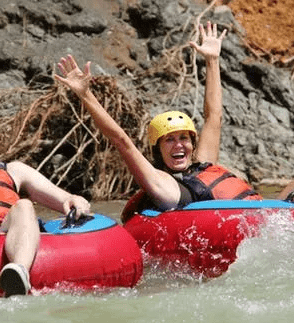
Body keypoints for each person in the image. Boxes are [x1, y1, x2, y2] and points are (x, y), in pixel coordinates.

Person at [55, 22, 262, 221]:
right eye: (169, 140)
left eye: (184, 138)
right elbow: (121, 140)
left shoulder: (203, 166)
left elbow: (213, 117)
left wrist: (212, 60)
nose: (179, 144)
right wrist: (85, 95)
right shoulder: (161, 185)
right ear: (158, 149)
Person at [0, 92, 91, 297]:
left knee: (25, 206)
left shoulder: (14, 170)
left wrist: (75, 201)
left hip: (3, 237)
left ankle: (18, 272)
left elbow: (65, 199)